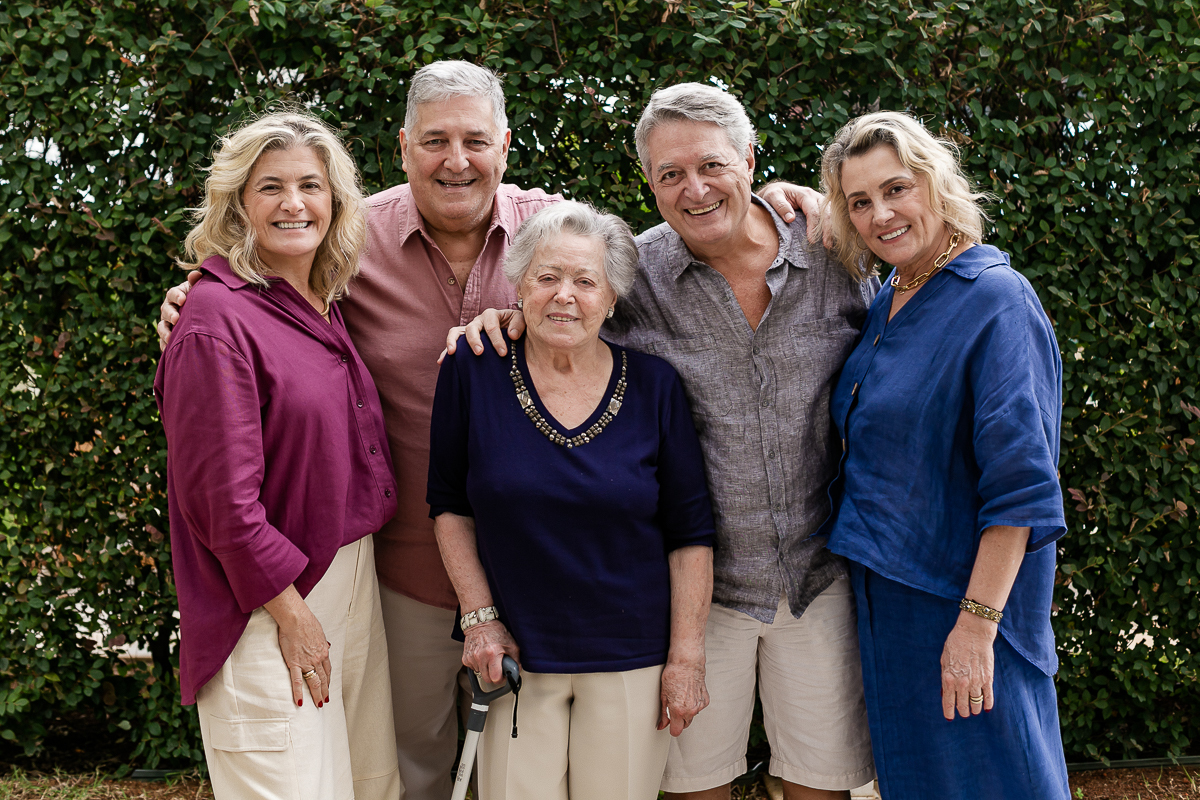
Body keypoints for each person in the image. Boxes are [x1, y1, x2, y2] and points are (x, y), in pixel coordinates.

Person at [157, 61, 821, 800]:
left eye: (475, 139)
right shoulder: (349, 241)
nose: (457, 159)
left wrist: (781, 201)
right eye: (435, 140)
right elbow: (267, 298)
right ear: (405, 146)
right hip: (395, 579)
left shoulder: (552, 232)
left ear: (505, 145)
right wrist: (203, 293)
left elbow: (657, 236)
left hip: (533, 594)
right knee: (400, 774)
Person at [453, 83, 877, 800]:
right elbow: (567, 308)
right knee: (693, 790)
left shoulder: (836, 251)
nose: (695, 188)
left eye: (712, 165)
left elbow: (919, 287)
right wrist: (503, 319)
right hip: (697, 598)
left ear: (748, 157)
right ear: (648, 183)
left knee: (819, 788)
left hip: (819, 578)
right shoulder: (637, 276)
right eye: (670, 174)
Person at [815, 111, 1070, 799]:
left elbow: (1021, 487)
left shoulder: (994, 300)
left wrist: (975, 627)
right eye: (859, 202)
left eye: (897, 189)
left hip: (962, 606)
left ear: (936, 183)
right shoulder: (890, 297)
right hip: (888, 607)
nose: (881, 214)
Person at [429, 200, 716, 799]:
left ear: (612, 298)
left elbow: (690, 532)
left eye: (586, 281)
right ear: (519, 286)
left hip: (631, 655)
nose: (565, 295)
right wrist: (480, 620)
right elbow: (449, 503)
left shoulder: (655, 385)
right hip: (513, 653)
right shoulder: (472, 370)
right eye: (547, 276)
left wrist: (685, 659)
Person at [154, 111, 400, 799]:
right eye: (271, 187)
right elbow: (221, 505)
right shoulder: (213, 321)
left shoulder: (318, 299)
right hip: (268, 607)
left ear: (335, 201)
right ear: (238, 205)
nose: (294, 203)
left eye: (310, 186)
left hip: (350, 583)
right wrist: (292, 617)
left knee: (368, 786)